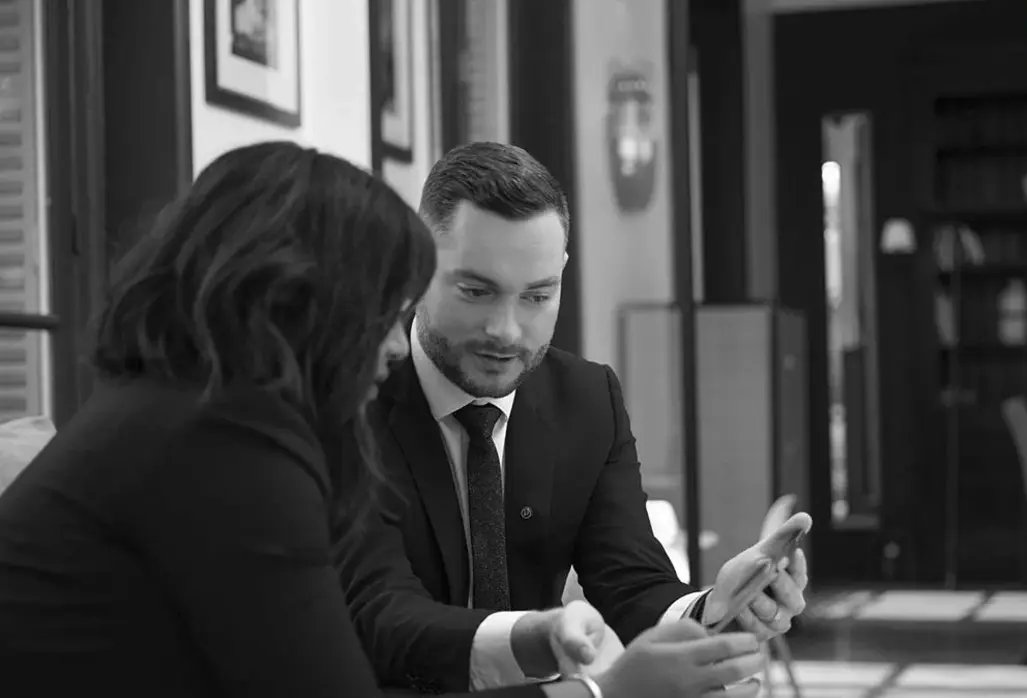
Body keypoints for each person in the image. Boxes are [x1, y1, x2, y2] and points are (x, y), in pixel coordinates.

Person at [0, 141, 764, 698]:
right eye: (380, 310)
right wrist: (604, 696)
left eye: (536, 295)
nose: (390, 344)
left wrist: (701, 615)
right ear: (302, 306)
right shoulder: (227, 445)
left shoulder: (172, 412)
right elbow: (363, 635)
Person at [336, 141, 812, 693]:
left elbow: (630, 582)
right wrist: (544, 638)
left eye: (538, 296)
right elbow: (384, 616)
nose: (507, 331)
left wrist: (710, 608)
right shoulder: (354, 396)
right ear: (419, 268)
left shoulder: (587, 398)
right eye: (476, 291)